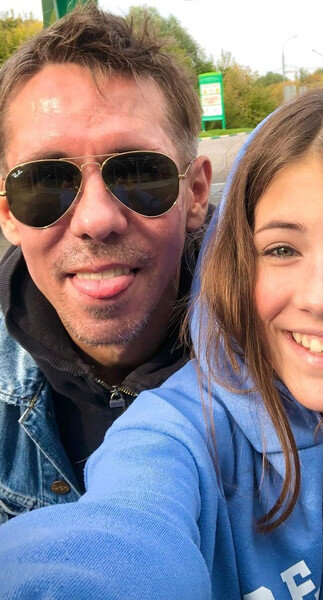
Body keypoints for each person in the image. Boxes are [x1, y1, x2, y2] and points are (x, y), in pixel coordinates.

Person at [0, 90, 323, 600]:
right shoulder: (179, 427)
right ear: (238, 266)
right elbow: (125, 524)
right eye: (281, 249)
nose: (321, 297)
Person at [0, 4, 211, 522]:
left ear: (196, 193)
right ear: (8, 214)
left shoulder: (291, 362)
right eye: (45, 181)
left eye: (138, 172)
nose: (96, 220)